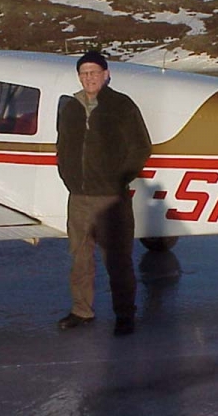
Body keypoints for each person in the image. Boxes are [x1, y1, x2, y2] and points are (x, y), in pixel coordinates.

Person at [56, 50, 152, 336]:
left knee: (117, 260)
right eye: (84, 73)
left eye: (94, 72)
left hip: (111, 198)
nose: (89, 78)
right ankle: (81, 310)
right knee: (80, 258)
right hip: (79, 197)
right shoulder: (70, 107)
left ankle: (125, 315)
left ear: (106, 74)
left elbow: (141, 147)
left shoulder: (121, 105)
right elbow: (63, 146)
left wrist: (119, 179)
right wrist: (68, 176)